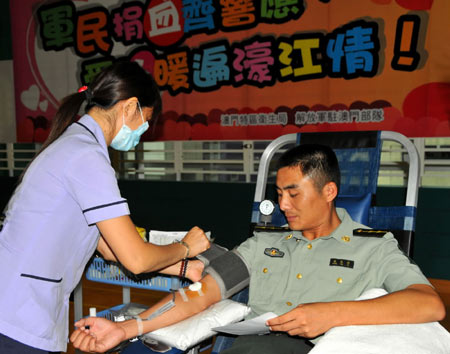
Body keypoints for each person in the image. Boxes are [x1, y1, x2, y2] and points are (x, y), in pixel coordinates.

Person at [70, 144, 446, 354]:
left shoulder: (373, 248)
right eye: (279, 194)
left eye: (293, 193)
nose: (283, 205)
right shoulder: (265, 244)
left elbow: (429, 303)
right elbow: (201, 295)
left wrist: (332, 314)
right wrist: (130, 328)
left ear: (329, 192)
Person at [0, 61, 210, 354]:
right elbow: (135, 259)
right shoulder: (86, 158)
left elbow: (110, 248)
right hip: (16, 315)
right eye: (145, 121)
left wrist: (184, 267)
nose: (142, 132)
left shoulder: (74, 145)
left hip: (16, 306)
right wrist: (186, 247)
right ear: (129, 107)